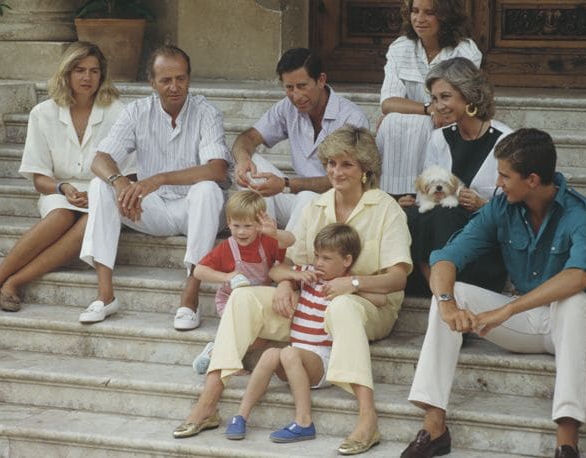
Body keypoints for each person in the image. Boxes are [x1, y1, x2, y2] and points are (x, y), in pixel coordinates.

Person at [173, 126, 412, 456]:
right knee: (243, 297)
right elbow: (289, 260)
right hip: (312, 303)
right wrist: (285, 283)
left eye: (346, 165)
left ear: (365, 169)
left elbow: (398, 278)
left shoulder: (386, 208)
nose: (336, 172)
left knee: (342, 306)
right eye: (331, 163)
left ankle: (367, 419)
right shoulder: (317, 205)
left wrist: (352, 283)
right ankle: (208, 402)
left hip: (369, 306)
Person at [401, 128, 586, 458]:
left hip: (574, 324)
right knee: (457, 292)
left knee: (573, 300)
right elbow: (445, 258)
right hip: (527, 321)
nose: (497, 183)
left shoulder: (577, 212)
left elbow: (579, 276)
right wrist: (447, 303)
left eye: (504, 175)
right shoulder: (501, 208)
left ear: (533, 180)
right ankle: (434, 426)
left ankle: (566, 441)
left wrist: (507, 310)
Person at [0, 42, 134, 313]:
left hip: (103, 190)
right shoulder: (42, 113)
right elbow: (39, 178)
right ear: (66, 73)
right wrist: (64, 187)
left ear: (102, 76)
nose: (87, 77)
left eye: (94, 71)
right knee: (62, 215)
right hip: (58, 190)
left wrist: (99, 192)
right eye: (79, 70)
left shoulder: (117, 112)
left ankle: (13, 282)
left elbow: (128, 172)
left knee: (93, 219)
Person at [78, 45, 231, 330]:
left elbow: (218, 169)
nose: (175, 87)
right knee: (100, 186)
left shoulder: (206, 112)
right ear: (152, 82)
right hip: (153, 209)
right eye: (166, 80)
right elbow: (100, 159)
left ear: (189, 78)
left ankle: (191, 294)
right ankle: (105, 294)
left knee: (207, 189)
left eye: (181, 78)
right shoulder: (137, 111)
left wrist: (158, 178)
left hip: (197, 210)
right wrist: (121, 182)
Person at [223, 223, 387, 443]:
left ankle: (304, 422)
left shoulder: (344, 284)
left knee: (289, 353)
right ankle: (241, 415)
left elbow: (382, 299)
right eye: (317, 256)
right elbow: (274, 270)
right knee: (271, 353)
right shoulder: (309, 274)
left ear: (346, 261)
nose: (319, 263)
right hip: (295, 359)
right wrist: (293, 278)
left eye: (326, 258)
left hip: (322, 361)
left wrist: (354, 287)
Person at [232, 47, 369, 231]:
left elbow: (348, 177)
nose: (296, 96)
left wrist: (287, 185)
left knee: (307, 198)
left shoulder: (351, 117)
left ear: (321, 80)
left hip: (337, 206)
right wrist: (243, 160)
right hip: (298, 201)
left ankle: (288, 257)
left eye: (302, 86)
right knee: (252, 165)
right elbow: (247, 137)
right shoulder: (286, 108)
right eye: (289, 88)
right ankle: (262, 246)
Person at [409, 57, 512, 295]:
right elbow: (425, 192)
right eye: (434, 99)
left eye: (445, 97)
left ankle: (445, 295)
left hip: (481, 245)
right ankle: (442, 292)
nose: (437, 106)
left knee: (444, 214)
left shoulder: (505, 140)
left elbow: (517, 208)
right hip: (440, 239)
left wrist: (481, 205)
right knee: (414, 212)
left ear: (469, 96)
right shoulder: (438, 138)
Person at [377, 0, 482, 201]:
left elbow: (463, 102)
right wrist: (429, 109)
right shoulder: (400, 48)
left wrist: (432, 111)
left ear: (445, 16)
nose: (419, 19)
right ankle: (394, 197)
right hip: (421, 121)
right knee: (392, 121)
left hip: (451, 124)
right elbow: (388, 102)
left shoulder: (465, 51)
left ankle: (419, 195)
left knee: (397, 121)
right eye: (415, 11)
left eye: (429, 13)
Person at [190, 190, 294, 375]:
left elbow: (290, 240)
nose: (241, 231)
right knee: (245, 333)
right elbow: (198, 271)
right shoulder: (226, 248)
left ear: (259, 224)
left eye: (248, 226)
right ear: (228, 222)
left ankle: (216, 350)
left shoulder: (268, 241)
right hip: (230, 300)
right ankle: (226, 359)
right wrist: (226, 277)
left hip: (258, 300)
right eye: (236, 225)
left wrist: (275, 233)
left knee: (262, 337)